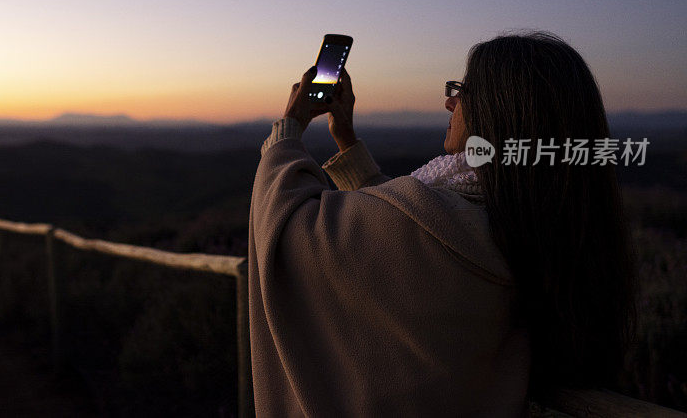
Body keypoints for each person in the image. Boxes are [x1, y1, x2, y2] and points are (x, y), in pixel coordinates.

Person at [248, 31, 637, 417]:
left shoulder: (439, 221)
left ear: (502, 110)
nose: (450, 102)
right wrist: (346, 138)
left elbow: (290, 227)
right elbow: (410, 221)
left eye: (464, 91)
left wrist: (290, 128)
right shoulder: (543, 220)